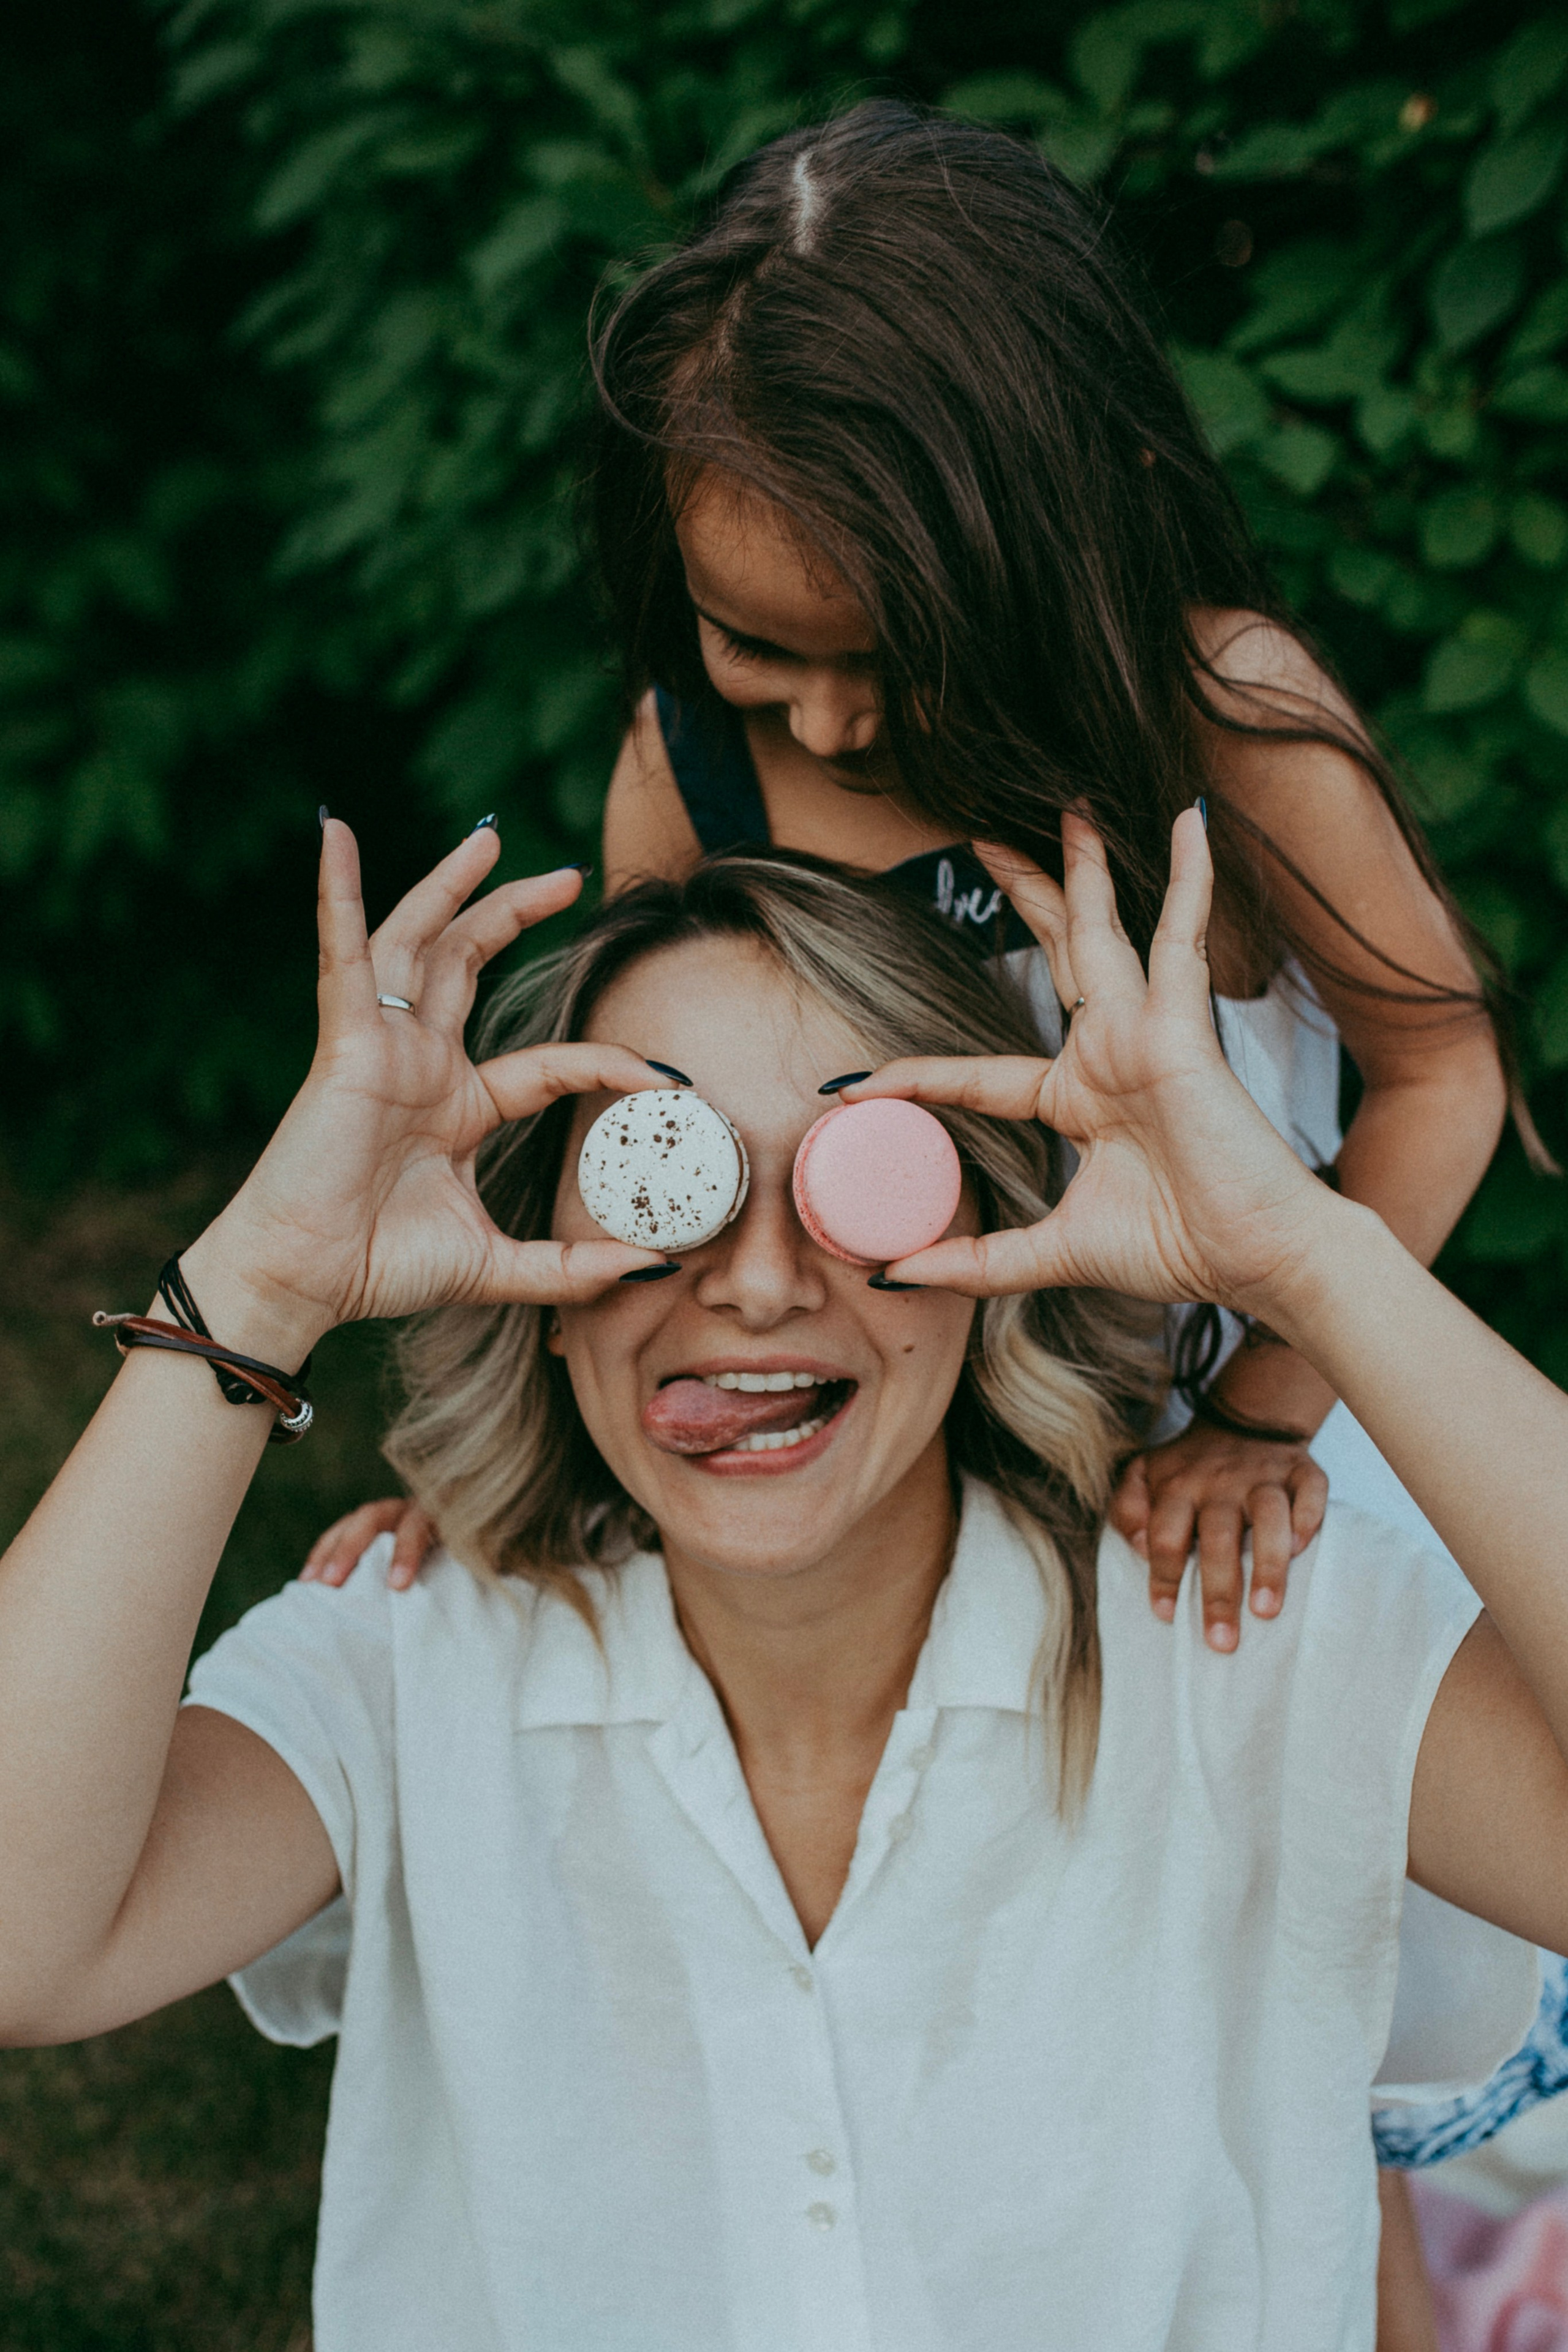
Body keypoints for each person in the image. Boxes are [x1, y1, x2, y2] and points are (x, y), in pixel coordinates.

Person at [303, 104, 1553, 2329]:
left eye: (891, 648)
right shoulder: (694, 769)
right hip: (900, 1494)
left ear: (1047, 529)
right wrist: (499, 1469)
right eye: (754, 644)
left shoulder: (1219, 720)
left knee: (1303, 2037)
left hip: (1214, 1483)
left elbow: (1444, 1069)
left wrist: (1257, 1414)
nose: (830, 714)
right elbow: (636, 1164)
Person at [2, 809, 1567, 2352]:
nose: (755, 1283)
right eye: (661, 1173)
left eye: (858, 1173)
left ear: (992, 1241)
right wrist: (265, 1277)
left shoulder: (1240, 1628)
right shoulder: (404, 1660)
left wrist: (1300, 1256)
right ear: (537, 1268)